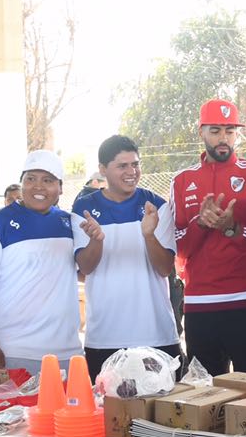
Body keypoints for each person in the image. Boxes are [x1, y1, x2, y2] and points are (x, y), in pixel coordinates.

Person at [0, 150, 97, 372]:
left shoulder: (71, 223)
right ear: (22, 183)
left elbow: (86, 270)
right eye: (31, 179)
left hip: (68, 352)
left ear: (60, 188)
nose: (38, 187)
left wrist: (96, 241)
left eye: (48, 180)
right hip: (14, 351)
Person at [170, 99, 246, 375]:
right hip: (200, 306)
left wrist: (233, 228)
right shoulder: (182, 180)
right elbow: (178, 250)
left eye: (230, 131)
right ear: (201, 132)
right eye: (215, 131)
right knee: (205, 393)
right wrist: (201, 224)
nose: (223, 138)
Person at [72, 135, 179, 375]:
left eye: (135, 164)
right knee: (106, 401)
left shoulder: (156, 205)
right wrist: (96, 240)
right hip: (105, 338)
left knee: (164, 400)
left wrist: (149, 235)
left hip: (156, 334)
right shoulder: (83, 209)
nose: (132, 172)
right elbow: (85, 268)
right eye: (122, 166)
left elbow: (164, 268)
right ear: (102, 169)